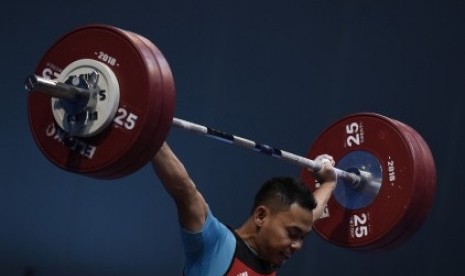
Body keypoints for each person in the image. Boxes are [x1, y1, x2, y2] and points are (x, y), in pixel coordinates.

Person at [151, 142, 337, 275]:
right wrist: (149, 132)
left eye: (302, 237)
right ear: (261, 216)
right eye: (292, 234)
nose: (297, 245)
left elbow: (307, 218)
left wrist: (329, 182)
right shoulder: (215, 244)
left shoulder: (270, 260)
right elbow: (185, 191)